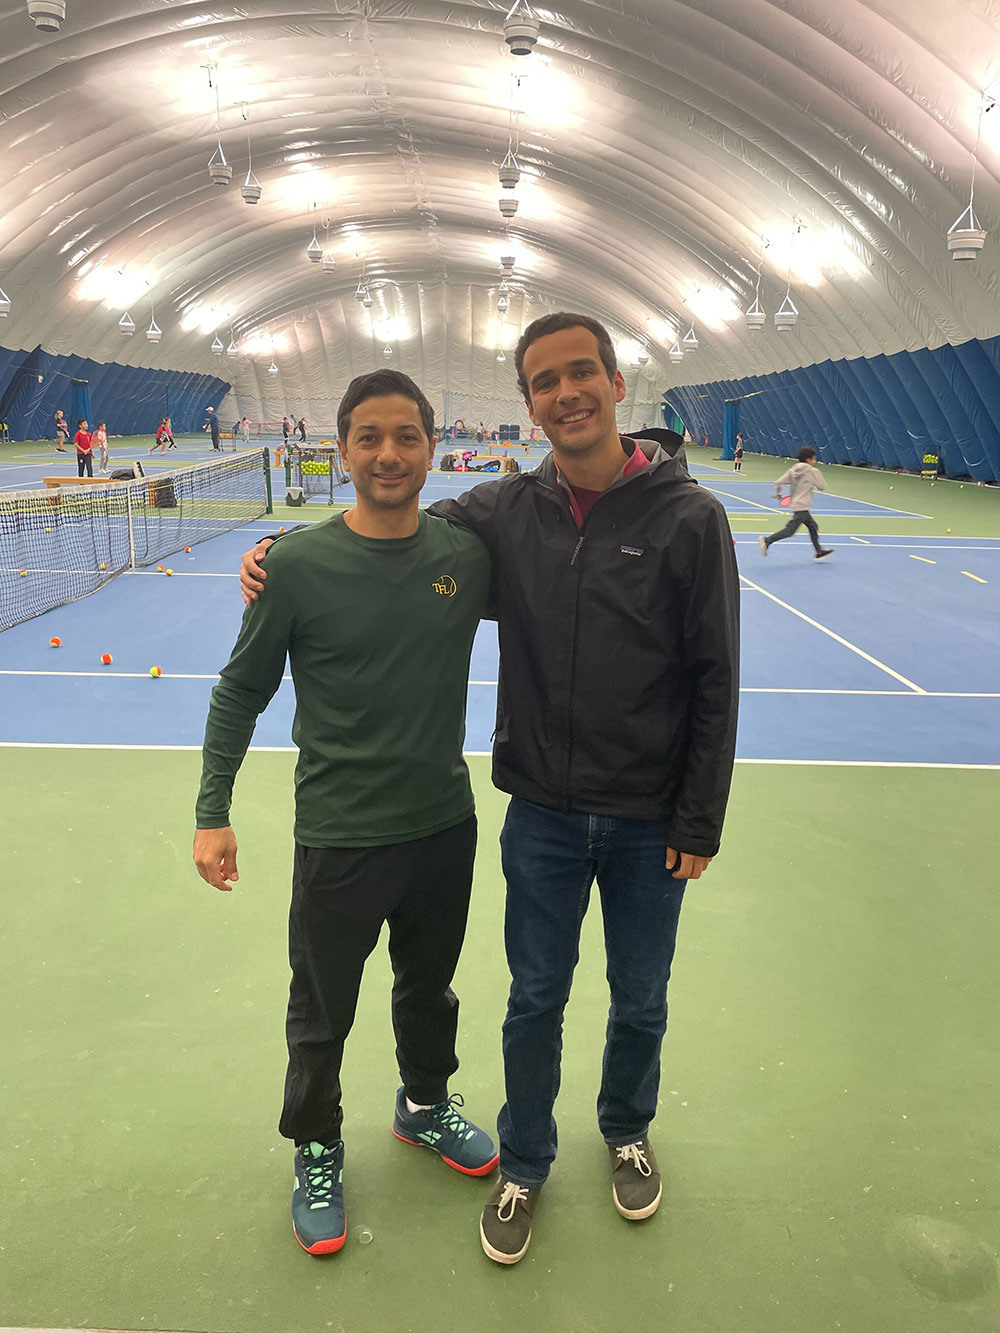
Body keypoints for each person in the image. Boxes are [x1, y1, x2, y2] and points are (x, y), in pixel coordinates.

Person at [240, 313, 740, 1266]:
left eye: (581, 372)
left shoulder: (691, 517)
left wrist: (699, 815)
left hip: (649, 822)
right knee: (532, 1001)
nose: (566, 393)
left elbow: (718, 676)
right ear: (528, 402)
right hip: (542, 815)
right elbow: (388, 529)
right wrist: (280, 551)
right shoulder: (506, 510)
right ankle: (525, 1160)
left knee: (640, 996)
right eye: (545, 380)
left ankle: (626, 1127)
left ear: (616, 380)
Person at [194, 369, 498, 1259]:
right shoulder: (295, 564)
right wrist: (213, 811)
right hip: (338, 835)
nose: (389, 453)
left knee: (428, 987)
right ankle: (317, 1146)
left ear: (432, 447)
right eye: (369, 436)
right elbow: (238, 692)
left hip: (444, 825)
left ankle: (423, 1104)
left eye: (406, 436)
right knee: (321, 1011)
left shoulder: (465, 557)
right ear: (342, 449)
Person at [759, 446, 833, 560]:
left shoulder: (793, 470)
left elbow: (779, 482)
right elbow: (822, 486)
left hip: (796, 504)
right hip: (802, 505)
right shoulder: (813, 471)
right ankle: (767, 540)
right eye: (813, 458)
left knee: (813, 526)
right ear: (809, 459)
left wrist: (778, 495)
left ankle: (819, 551)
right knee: (790, 531)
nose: (814, 461)